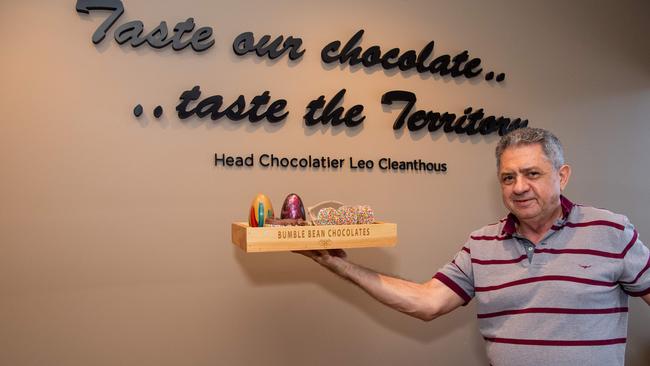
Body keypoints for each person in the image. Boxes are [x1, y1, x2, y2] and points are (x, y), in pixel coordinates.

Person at [297, 127, 650, 366]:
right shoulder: (482, 244)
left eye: (533, 174)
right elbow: (426, 301)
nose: (519, 187)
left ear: (562, 176)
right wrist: (337, 264)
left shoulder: (610, 230)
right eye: (508, 177)